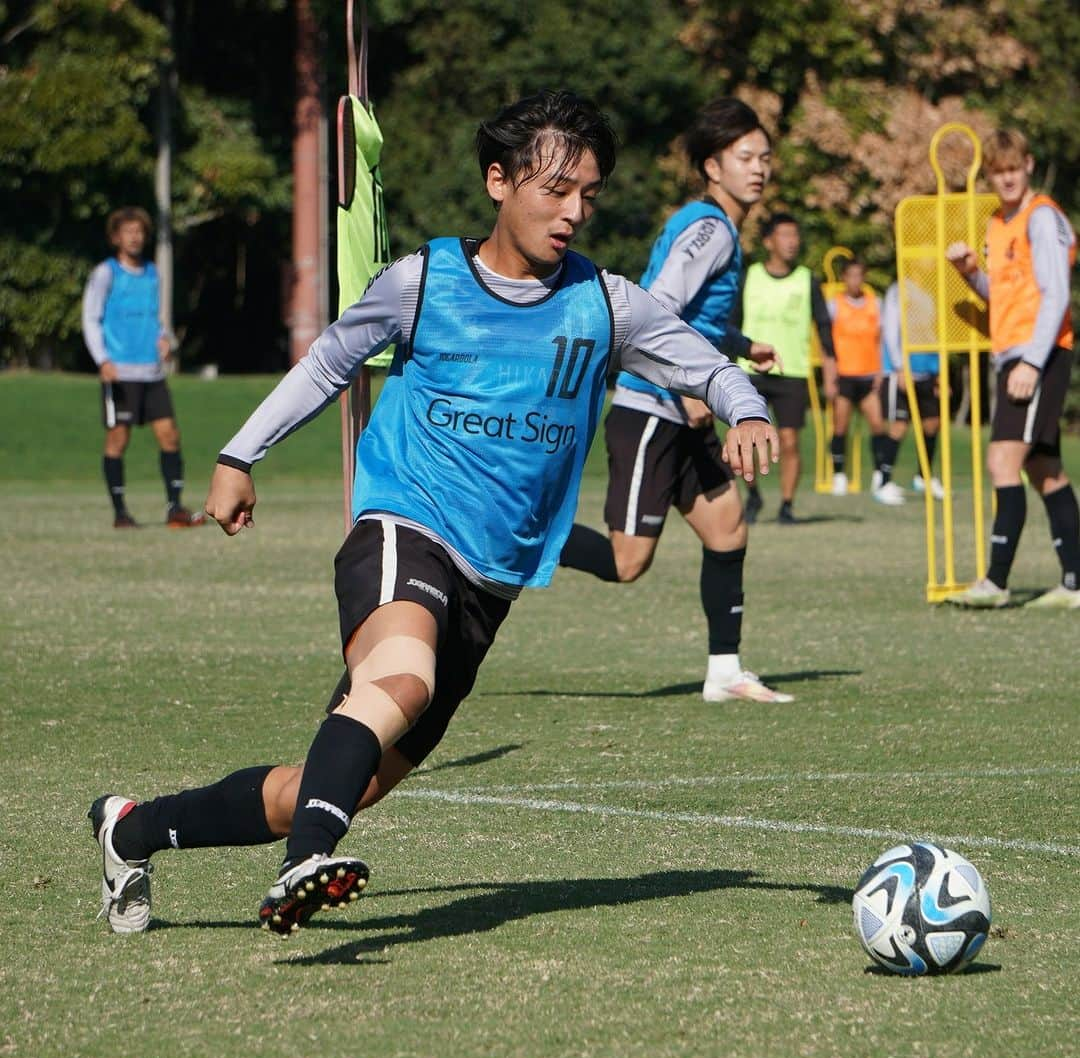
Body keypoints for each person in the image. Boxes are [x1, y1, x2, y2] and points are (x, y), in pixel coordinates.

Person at [89, 90, 780, 936]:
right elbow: (328, 364)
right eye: (554, 190)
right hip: (405, 522)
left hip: (493, 583)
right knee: (401, 678)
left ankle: (133, 829)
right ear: (499, 180)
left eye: (587, 196)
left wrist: (747, 409)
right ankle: (307, 858)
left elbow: (709, 367)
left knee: (342, 780)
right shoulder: (425, 280)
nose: (573, 212)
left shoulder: (607, 304)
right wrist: (239, 455)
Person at [557, 98, 791, 705]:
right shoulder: (710, 227)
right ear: (714, 166)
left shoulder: (722, 227)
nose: (759, 168)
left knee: (728, 530)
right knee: (626, 562)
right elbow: (657, 307)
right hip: (653, 408)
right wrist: (682, 387)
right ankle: (510, 529)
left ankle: (725, 673)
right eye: (745, 157)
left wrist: (739, 344)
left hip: (688, 405)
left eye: (765, 157)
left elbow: (697, 317)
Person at [945, 129, 1078, 608]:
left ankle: (996, 583)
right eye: (997, 172)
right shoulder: (997, 224)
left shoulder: (1042, 218)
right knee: (1045, 470)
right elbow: (1000, 295)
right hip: (1015, 354)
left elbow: (1057, 295)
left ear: (1028, 165)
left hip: (1035, 354)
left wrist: (1031, 362)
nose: (1005, 178)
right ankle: (1075, 584)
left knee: (1003, 460)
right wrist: (969, 274)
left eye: (1012, 168)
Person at [81, 207, 205, 528]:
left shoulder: (152, 272)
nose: (135, 237)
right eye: (128, 232)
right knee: (117, 441)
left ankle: (174, 508)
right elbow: (91, 319)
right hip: (120, 372)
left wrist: (165, 340)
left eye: (139, 231)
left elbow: (156, 319)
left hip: (152, 373)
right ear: (116, 238)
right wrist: (103, 360)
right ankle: (121, 513)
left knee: (170, 436)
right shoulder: (106, 273)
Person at [736, 212, 836, 524]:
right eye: (784, 235)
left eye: (795, 235)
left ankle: (787, 505)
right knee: (747, 441)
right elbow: (730, 325)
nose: (792, 242)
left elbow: (824, 328)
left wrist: (831, 374)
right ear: (768, 241)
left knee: (790, 441)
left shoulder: (807, 279)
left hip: (792, 371)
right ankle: (752, 495)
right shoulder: (748, 276)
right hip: (749, 371)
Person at [826, 258, 905, 506]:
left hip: (869, 374)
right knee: (840, 426)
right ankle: (839, 474)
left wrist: (881, 370)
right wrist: (829, 375)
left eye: (859, 275)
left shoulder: (875, 303)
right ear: (844, 278)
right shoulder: (834, 305)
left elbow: (881, 338)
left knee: (877, 425)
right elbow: (826, 342)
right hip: (845, 375)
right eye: (851, 276)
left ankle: (879, 474)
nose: (855, 281)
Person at [880, 280, 944, 499]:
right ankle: (883, 481)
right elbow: (890, 328)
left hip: (927, 370)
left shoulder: (931, 290)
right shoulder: (897, 291)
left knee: (932, 424)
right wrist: (899, 367)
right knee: (899, 425)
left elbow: (936, 331)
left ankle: (923, 477)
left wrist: (940, 372)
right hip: (902, 371)